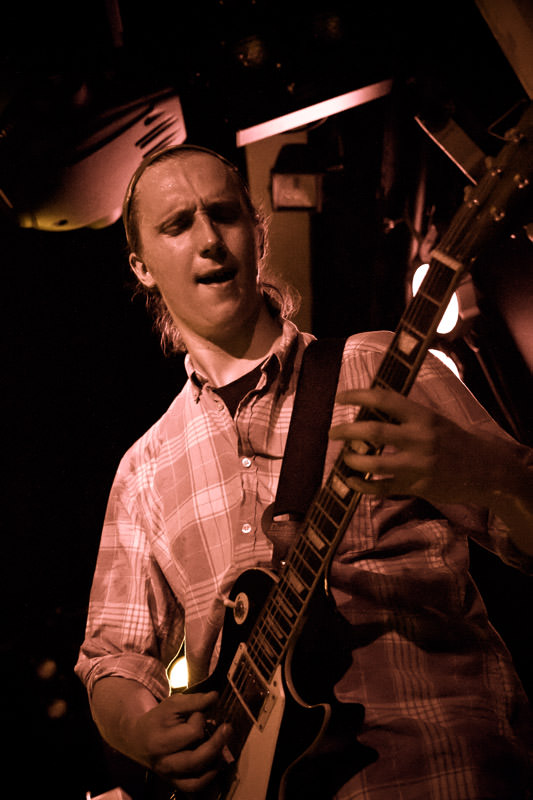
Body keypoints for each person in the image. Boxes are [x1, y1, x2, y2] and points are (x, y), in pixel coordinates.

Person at [75, 144, 533, 799]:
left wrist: (488, 474)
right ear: (142, 268)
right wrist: (142, 730)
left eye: (224, 214)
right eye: (177, 225)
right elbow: (111, 658)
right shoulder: (142, 470)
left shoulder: (377, 368)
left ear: (257, 234)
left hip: (434, 771)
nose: (209, 240)